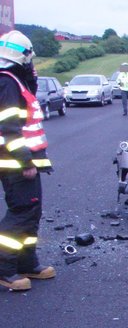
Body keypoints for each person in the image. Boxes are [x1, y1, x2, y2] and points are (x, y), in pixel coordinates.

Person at [0, 30, 54, 291]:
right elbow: (9, 129)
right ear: (22, 56)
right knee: (21, 213)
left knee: (32, 213)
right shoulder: (6, 82)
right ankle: (5, 268)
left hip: (25, 160)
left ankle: (26, 263)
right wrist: (26, 162)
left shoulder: (14, 80)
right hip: (16, 162)